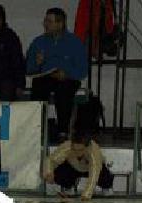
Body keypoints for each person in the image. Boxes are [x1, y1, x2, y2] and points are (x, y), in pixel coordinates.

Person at [26, 7, 89, 141]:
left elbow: (82, 70)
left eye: (49, 21)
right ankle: (37, 129)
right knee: (38, 87)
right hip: (45, 77)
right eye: (45, 21)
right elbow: (28, 68)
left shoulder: (74, 42)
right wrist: (36, 63)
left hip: (67, 79)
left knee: (64, 91)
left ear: (60, 24)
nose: (45, 24)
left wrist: (67, 74)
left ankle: (62, 131)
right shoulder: (39, 42)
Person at [43, 129, 114, 200]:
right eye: (74, 149)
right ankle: (68, 186)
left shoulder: (94, 151)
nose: (78, 153)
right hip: (73, 167)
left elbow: (94, 173)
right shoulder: (67, 146)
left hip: (91, 169)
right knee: (60, 171)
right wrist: (49, 173)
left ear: (87, 147)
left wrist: (86, 194)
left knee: (104, 176)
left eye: (80, 150)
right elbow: (51, 160)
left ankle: (106, 187)